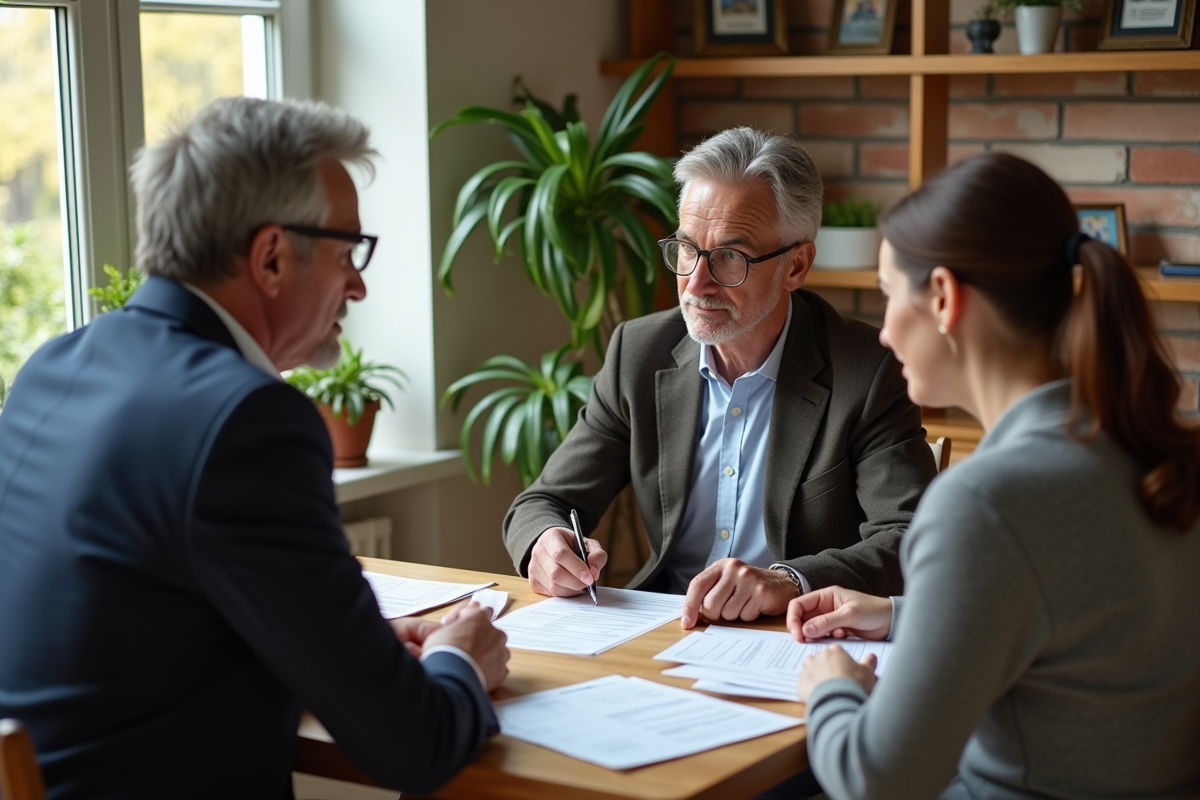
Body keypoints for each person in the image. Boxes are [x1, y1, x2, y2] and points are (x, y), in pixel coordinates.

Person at [0, 97, 509, 800]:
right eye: (347, 252)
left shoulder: (51, 368)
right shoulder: (248, 420)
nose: (359, 284)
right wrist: (460, 658)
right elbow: (415, 746)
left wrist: (345, 646)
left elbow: (131, 625)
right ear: (271, 257)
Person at [790, 152, 1200, 799]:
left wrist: (833, 689)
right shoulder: (1146, 449)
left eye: (890, 296)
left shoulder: (983, 501)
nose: (885, 333)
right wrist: (901, 615)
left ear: (944, 298)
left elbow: (875, 780)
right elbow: (1080, 622)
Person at [503, 127, 937, 629]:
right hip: (663, 627)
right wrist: (546, 543)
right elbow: (543, 502)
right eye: (688, 249)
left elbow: (910, 537)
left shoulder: (867, 371)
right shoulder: (639, 353)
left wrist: (791, 580)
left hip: (793, 635)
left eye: (731, 256)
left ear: (796, 266)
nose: (696, 283)